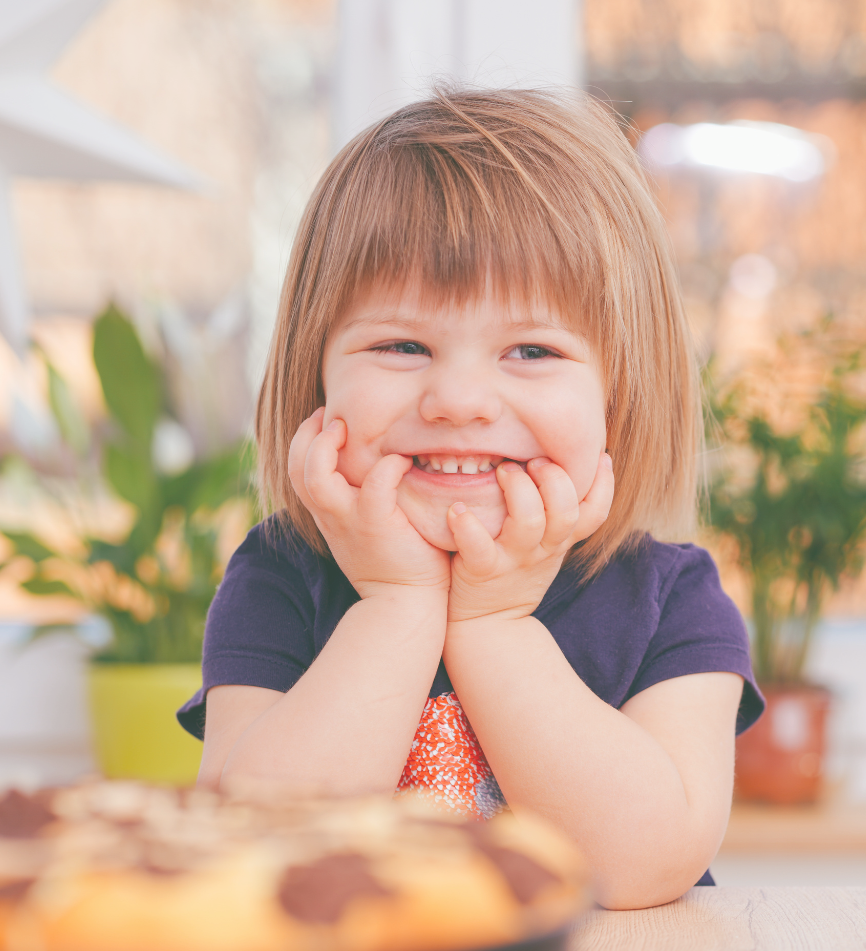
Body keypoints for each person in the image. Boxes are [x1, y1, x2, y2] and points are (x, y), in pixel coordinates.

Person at [177, 88, 764, 910]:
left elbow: (645, 867)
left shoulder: (672, 599)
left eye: (530, 349)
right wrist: (396, 606)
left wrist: (493, 624)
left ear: (619, 398)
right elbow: (253, 853)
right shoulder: (280, 576)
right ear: (316, 379)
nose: (459, 398)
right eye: (401, 344)